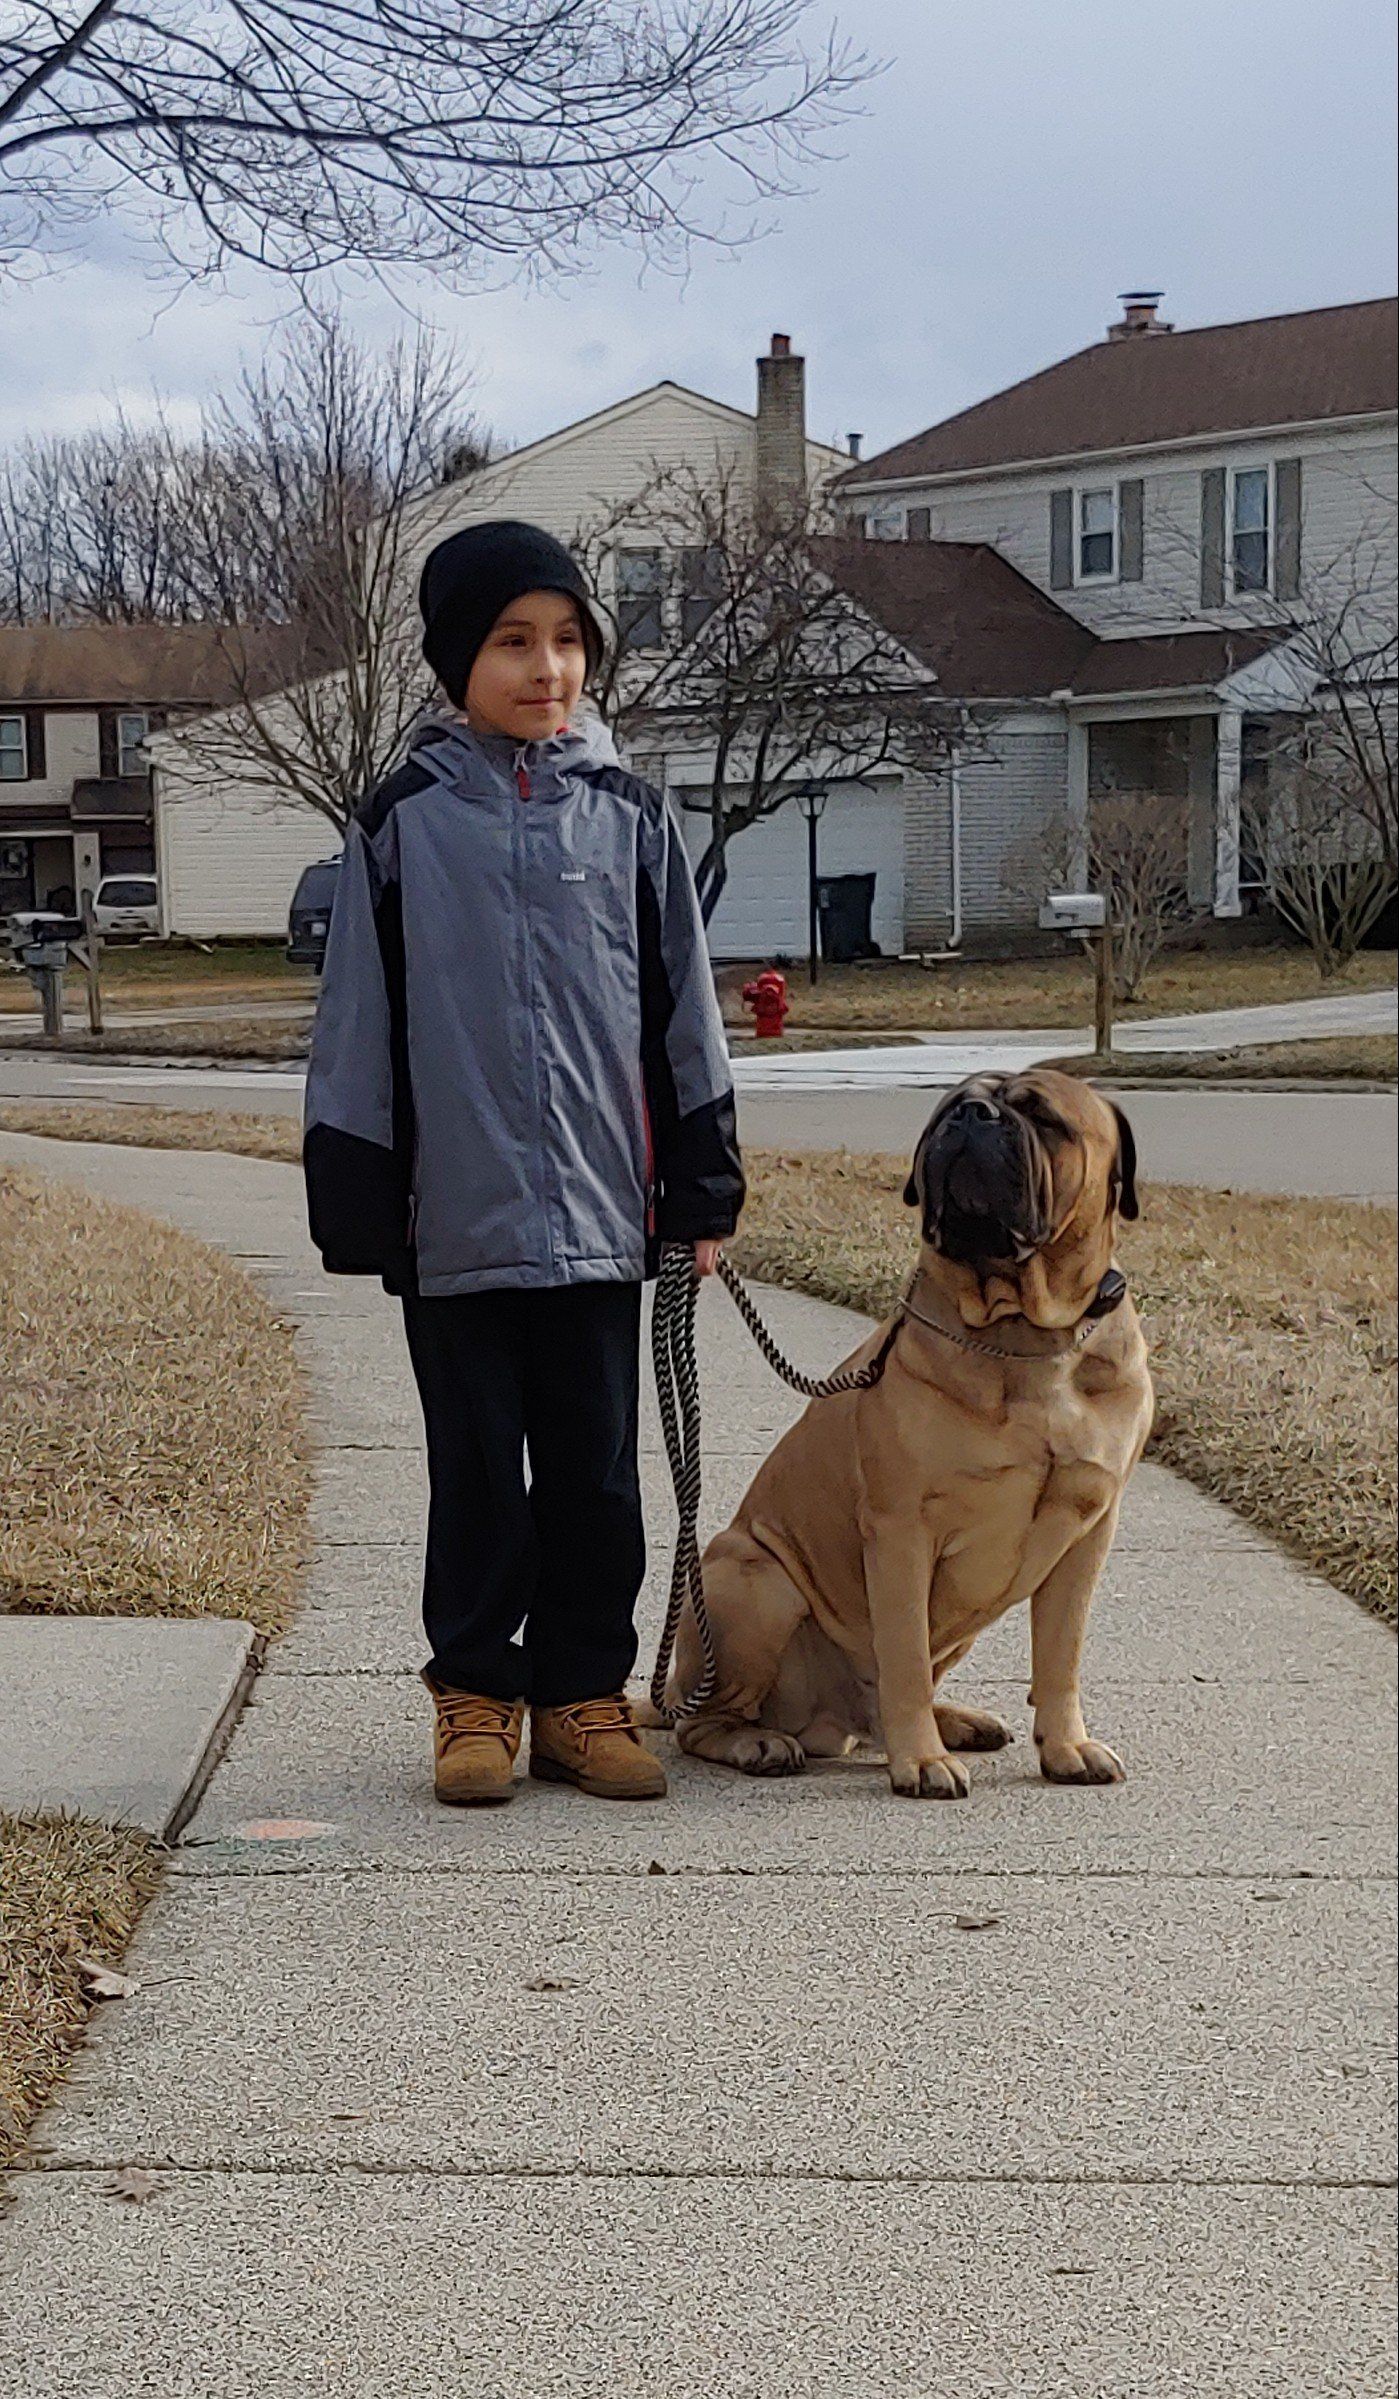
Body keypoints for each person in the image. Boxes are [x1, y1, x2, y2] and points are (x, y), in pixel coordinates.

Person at [303, 519, 744, 1807]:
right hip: (456, 1221)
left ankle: (583, 1696)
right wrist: (362, 1194)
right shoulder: (400, 823)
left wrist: (703, 1184)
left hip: (607, 1216)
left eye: (567, 642)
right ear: (455, 661)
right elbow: (358, 1022)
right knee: (481, 1468)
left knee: (600, 1473)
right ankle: (478, 1697)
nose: (546, 668)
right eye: (513, 642)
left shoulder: (633, 816)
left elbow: (685, 1013)